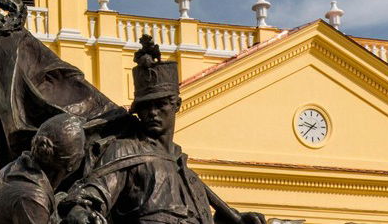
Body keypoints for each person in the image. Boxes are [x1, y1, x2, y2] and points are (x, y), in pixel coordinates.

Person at [60, 37, 266, 224]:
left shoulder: (188, 175)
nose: (152, 113)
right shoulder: (124, 151)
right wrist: (80, 210)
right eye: (145, 107)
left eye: (160, 105)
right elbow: (94, 194)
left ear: (176, 104)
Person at [0, 113, 87, 224]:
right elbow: (32, 203)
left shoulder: (18, 167)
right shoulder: (32, 198)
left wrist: (62, 202)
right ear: (72, 164)